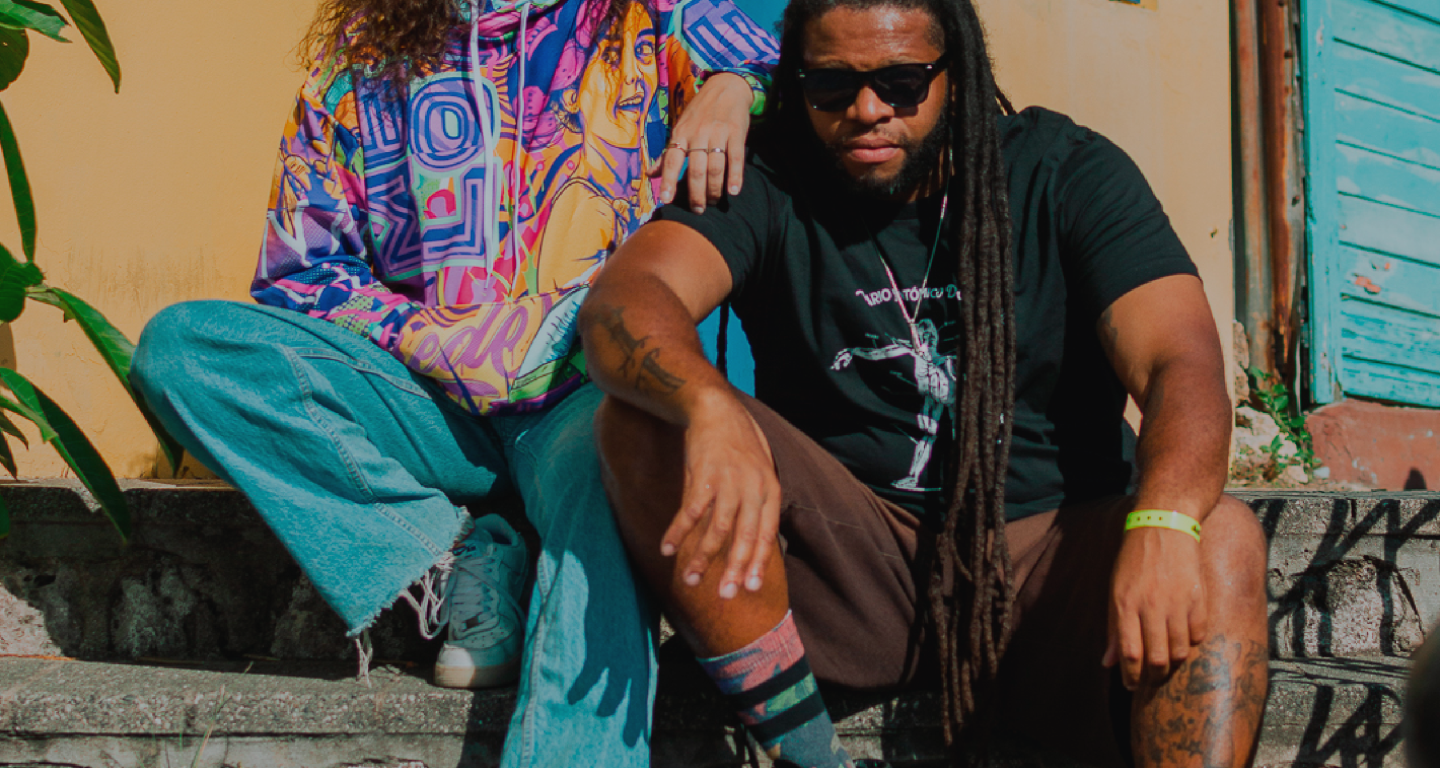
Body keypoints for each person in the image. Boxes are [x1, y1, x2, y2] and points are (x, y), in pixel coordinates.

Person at [578, 0, 1271, 764]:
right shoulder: (770, 176)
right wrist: (708, 405)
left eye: (902, 82)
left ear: (958, 75)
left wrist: (1165, 521)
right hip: (855, 566)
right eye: (831, 85)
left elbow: (1181, 362)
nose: (867, 110)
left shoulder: (1064, 170)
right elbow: (628, 299)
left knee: (1222, 539)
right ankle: (808, 753)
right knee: (645, 418)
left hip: (1053, 560)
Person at [128, 0, 777, 764]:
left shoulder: (643, 14)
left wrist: (734, 85)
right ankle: (457, 556)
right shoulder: (363, 50)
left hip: (584, 397)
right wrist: (442, 341)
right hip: (425, 402)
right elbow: (302, 268)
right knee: (184, 351)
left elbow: (811, 70)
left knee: (618, 472)